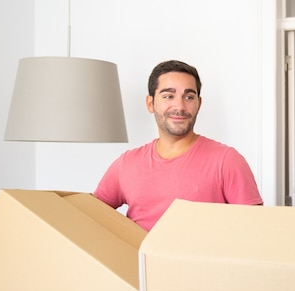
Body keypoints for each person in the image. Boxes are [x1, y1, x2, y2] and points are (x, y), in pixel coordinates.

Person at [94, 60, 263, 231]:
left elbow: (254, 231)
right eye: (168, 96)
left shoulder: (227, 161)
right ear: (150, 103)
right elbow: (90, 216)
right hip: (137, 258)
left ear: (199, 103)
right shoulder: (127, 164)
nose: (180, 106)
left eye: (189, 97)